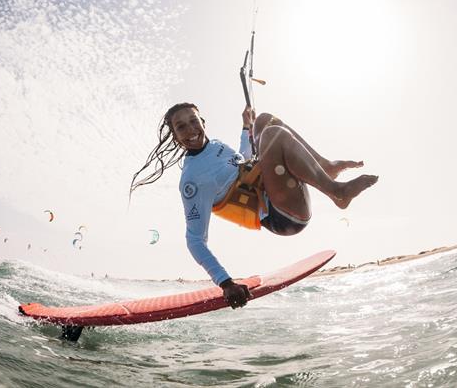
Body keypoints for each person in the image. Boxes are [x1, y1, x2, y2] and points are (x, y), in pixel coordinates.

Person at [131, 102, 378, 309]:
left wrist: (246, 126)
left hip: (278, 188)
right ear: (175, 136)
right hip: (281, 216)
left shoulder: (216, 146)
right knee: (272, 135)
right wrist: (226, 283)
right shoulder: (192, 180)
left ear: (203, 121)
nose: (190, 130)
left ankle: (325, 167)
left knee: (264, 120)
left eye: (193, 121)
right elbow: (194, 240)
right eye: (181, 127)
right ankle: (337, 192)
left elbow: (243, 159)